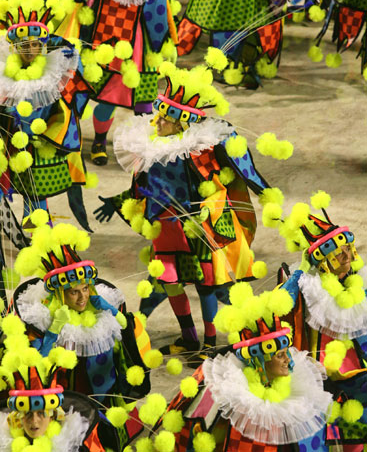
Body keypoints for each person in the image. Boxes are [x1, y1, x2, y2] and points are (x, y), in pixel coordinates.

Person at [94, 50, 283, 359]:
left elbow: (223, 180)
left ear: (182, 124)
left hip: (198, 225)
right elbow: (144, 185)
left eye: (166, 119)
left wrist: (211, 206)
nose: (157, 121)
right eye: (159, 113)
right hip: (166, 226)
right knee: (170, 281)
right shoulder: (151, 147)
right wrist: (119, 202)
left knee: (205, 283)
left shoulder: (199, 151)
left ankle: (210, 340)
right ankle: (189, 337)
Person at [12, 217, 151, 449]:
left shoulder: (104, 310)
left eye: (85, 289)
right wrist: (54, 330)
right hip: (73, 408)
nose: (82, 297)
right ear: (60, 295)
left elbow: (129, 338)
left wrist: (111, 312)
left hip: (109, 401)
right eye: (73, 292)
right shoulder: (42, 319)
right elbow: (36, 365)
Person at [152, 284, 334, 452]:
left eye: (286, 353)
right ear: (258, 360)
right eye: (280, 355)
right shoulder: (232, 395)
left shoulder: (298, 386)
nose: (288, 359)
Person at [74, 0, 178, 166]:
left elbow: (165, 15)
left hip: (145, 52)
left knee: (144, 105)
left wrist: (168, 45)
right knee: (107, 99)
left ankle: (141, 146)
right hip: (111, 49)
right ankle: (99, 141)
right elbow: (83, 9)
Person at [269, 193, 367, 450]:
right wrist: (299, 273)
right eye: (336, 254)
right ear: (321, 262)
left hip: (359, 372)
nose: (345, 257)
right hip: (315, 373)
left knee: (359, 424)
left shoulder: (361, 280)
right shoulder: (307, 286)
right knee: (306, 430)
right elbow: (277, 306)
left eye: (347, 249)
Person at [0, 0, 94, 230]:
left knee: (36, 186)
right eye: (23, 46)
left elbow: (77, 97)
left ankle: (38, 222)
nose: (29, 50)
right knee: (12, 180)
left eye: (34, 44)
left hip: (44, 140)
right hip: (11, 138)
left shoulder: (59, 66)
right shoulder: (4, 69)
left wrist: (54, 128)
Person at [0, 314, 119, 451]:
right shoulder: (4, 441)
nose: (34, 421)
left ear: (53, 416)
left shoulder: (77, 444)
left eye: (41, 413)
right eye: (27, 413)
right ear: (17, 416)